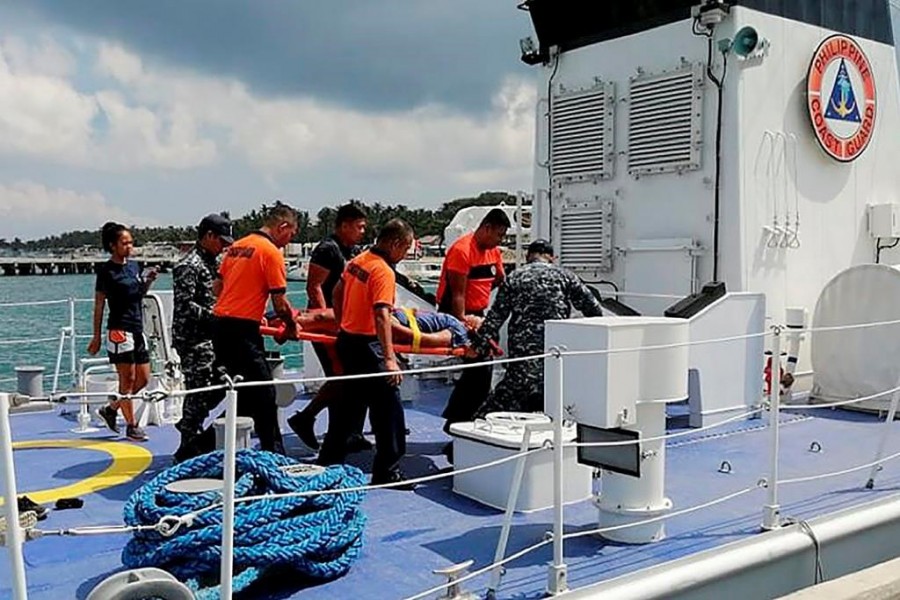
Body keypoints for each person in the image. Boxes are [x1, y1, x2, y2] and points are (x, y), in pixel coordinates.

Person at [316, 219, 415, 487]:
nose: (404, 255)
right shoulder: (383, 271)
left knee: (348, 405)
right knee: (389, 409)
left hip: (347, 341)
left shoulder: (359, 260)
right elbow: (382, 315)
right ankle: (388, 469)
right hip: (368, 345)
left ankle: (328, 461)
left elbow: (337, 292)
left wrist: (342, 321)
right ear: (395, 244)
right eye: (405, 249)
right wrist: (390, 359)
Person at [471, 239, 604, 418]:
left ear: (528, 256)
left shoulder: (514, 277)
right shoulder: (566, 276)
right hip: (555, 354)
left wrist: (477, 346)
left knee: (502, 401)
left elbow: (496, 317)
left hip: (523, 358)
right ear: (551, 257)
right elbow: (593, 310)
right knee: (557, 399)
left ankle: (470, 432)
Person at [212, 203, 299, 454]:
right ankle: (274, 452)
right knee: (264, 393)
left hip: (221, 326)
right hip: (241, 331)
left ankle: (201, 447)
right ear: (282, 226)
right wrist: (291, 325)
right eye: (291, 234)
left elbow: (218, 288)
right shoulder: (270, 252)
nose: (289, 241)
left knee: (244, 393)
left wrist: (249, 308)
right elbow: (280, 304)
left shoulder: (237, 246)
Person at [287, 204, 368, 451]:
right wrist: (328, 320)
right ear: (344, 225)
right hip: (329, 325)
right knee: (340, 377)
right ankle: (306, 418)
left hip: (348, 323)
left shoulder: (351, 250)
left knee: (357, 377)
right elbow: (314, 287)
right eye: (359, 226)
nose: (363, 231)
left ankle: (351, 432)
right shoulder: (327, 250)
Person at [437, 208, 510, 434]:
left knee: (480, 372)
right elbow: (457, 293)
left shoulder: (493, 252)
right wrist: (463, 325)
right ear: (486, 228)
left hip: (478, 312)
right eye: (498, 235)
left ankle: (457, 418)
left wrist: (483, 298)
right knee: (478, 372)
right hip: (457, 312)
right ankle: (460, 420)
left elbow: (499, 279)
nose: (500, 240)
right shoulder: (462, 250)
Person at [87, 222, 159, 442]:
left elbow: (138, 293)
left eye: (131, 242)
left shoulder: (134, 266)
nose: (130, 246)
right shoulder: (106, 272)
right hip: (119, 330)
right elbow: (99, 304)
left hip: (138, 329)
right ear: (113, 245)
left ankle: (112, 408)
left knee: (144, 379)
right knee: (126, 381)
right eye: (124, 243)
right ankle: (131, 425)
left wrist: (147, 282)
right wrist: (96, 336)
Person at [171, 213, 233, 463]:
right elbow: (186, 306)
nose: (223, 246)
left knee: (220, 383)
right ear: (208, 236)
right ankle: (187, 446)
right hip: (194, 339)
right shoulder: (189, 265)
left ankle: (188, 422)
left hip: (211, 335)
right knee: (198, 390)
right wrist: (217, 316)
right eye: (221, 241)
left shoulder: (212, 262)